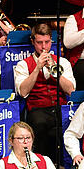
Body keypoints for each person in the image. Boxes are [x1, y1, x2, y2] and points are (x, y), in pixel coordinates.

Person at [14, 23, 76, 156]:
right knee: (39, 123)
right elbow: (23, 92)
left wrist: (55, 71)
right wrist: (37, 68)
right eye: (39, 42)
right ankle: (41, 163)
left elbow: (71, 90)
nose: (43, 47)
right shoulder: (23, 65)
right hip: (38, 109)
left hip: (60, 107)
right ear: (33, 42)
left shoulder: (62, 62)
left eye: (47, 42)